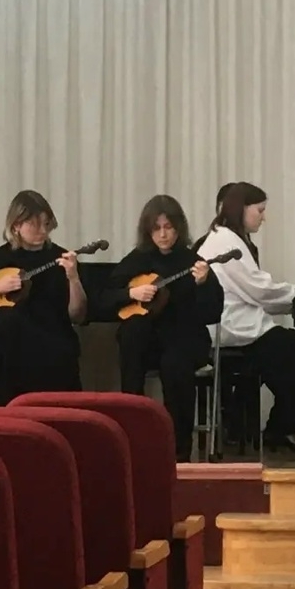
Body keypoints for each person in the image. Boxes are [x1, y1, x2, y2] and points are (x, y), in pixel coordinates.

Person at [197, 181, 295, 455]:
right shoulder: (225, 240)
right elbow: (260, 290)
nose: (264, 217)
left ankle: (289, 427)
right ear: (242, 208)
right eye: (259, 210)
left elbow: (257, 292)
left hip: (242, 325)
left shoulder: (229, 237)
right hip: (232, 331)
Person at [101, 194, 224, 460]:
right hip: (148, 342)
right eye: (156, 228)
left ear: (179, 228)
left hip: (185, 339)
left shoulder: (193, 262)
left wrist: (203, 285)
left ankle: (179, 449)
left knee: (175, 365)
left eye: (168, 227)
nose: (163, 234)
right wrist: (131, 294)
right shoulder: (137, 260)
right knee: (132, 333)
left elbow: (212, 312)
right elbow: (104, 299)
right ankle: (133, 435)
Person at [0, 190, 86, 403]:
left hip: (51, 334)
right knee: (7, 325)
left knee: (60, 349)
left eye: (47, 224)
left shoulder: (61, 259)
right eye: (34, 224)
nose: (43, 231)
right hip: (7, 337)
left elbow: (77, 315)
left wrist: (73, 278)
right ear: (15, 226)